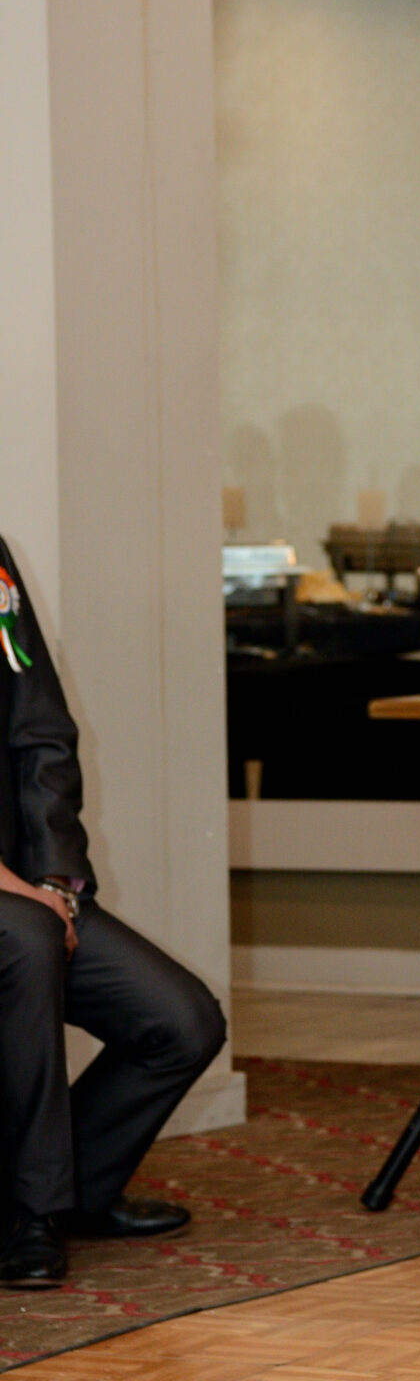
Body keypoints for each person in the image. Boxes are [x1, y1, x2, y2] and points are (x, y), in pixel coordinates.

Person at [0, 537, 226, 1289]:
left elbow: (41, 729)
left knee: (180, 1022)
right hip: (11, 903)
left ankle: (78, 1191)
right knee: (28, 940)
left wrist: (55, 879)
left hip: (27, 886)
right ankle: (30, 1214)